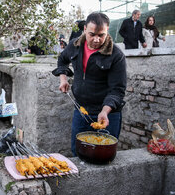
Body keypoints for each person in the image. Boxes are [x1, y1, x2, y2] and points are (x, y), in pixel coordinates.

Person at [52, 12, 127, 156]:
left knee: (104, 155)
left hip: (107, 114)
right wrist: (63, 79)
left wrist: (105, 111)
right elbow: (62, 59)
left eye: (101, 35)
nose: (97, 40)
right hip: (81, 110)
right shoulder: (75, 45)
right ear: (85, 29)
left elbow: (117, 90)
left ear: (107, 31)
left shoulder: (116, 55)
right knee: (78, 152)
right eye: (92, 34)